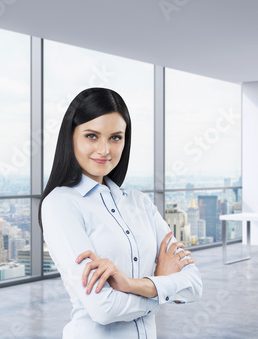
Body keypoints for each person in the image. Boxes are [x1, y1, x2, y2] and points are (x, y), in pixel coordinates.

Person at [38, 88, 203, 338]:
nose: (105, 150)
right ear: (70, 137)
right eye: (92, 136)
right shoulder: (61, 204)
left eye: (115, 137)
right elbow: (103, 309)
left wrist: (133, 285)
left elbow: (194, 285)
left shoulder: (140, 203)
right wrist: (161, 287)